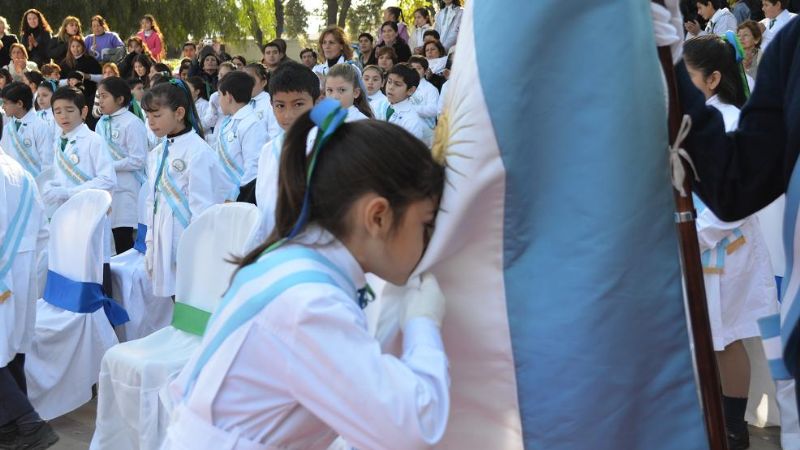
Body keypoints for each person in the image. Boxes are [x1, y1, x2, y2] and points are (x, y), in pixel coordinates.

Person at [163, 94, 449, 450]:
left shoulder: (296, 259)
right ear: (377, 216)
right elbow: (413, 427)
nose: (430, 241)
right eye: (426, 224)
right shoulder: (310, 303)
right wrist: (423, 324)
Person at [684, 33, 779, 449]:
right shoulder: (693, 118)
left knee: (728, 338)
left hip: (725, 248)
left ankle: (734, 432)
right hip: (697, 246)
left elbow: (736, 198)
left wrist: (694, 233)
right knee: (707, 336)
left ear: (713, 78)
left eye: (688, 78)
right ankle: (709, 424)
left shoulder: (730, 119)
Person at [142, 79, 229, 298]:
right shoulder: (158, 152)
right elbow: (152, 200)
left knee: (192, 298)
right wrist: (151, 242)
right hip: (163, 236)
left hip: (186, 238)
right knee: (175, 298)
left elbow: (204, 209)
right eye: (148, 116)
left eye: (157, 115)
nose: (151, 123)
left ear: (179, 113)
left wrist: (195, 249)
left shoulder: (197, 151)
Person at [0, 145, 55, 450]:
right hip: (21, 272)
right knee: (13, 351)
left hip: (3, 274)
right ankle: (9, 428)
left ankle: (29, 423)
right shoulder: (20, 171)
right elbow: (42, 231)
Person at [254, 61, 319, 239]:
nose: (288, 115)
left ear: (317, 101)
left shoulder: (329, 145)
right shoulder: (268, 151)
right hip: (275, 246)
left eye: (298, 104)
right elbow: (264, 203)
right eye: (280, 106)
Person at [41, 86, 116, 213]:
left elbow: (107, 179)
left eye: (69, 110)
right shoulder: (58, 141)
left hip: (89, 210)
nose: (63, 116)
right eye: (58, 112)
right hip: (64, 211)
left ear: (84, 111)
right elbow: (60, 175)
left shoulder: (94, 140)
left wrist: (69, 192)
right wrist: (51, 185)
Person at [95, 76, 148, 253]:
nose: (100, 101)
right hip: (107, 188)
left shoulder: (133, 123)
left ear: (120, 99)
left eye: (104, 96)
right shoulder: (101, 123)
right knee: (107, 240)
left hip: (127, 189)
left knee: (124, 239)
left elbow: (138, 159)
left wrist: (109, 166)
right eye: (99, 96)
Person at [214, 71, 267, 199]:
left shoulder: (251, 124)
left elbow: (253, 169)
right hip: (224, 193)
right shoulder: (228, 121)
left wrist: (237, 197)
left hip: (240, 196)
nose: (219, 101)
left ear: (228, 96)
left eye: (220, 95)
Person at [0, 82, 53, 176]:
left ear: (20, 103)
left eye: (5, 103)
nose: (3, 106)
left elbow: (47, 163)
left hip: (35, 185)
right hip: (13, 182)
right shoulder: (7, 128)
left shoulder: (41, 126)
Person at [59, 36, 102, 129]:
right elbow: (58, 81)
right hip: (70, 98)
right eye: (73, 46)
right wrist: (69, 81)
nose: (75, 49)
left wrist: (87, 76)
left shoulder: (90, 60)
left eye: (78, 46)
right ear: (69, 48)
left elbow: (101, 77)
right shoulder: (64, 63)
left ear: (83, 47)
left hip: (89, 96)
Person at [385, 63, 426, 143]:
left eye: (397, 84)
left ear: (410, 90)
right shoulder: (386, 104)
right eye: (389, 82)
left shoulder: (411, 120)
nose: (390, 87)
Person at [201, 61, 234, 146]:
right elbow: (209, 122)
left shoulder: (238, 95)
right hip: (217, 134)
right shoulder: (215, 96)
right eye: (221, 75)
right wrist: (213, 110)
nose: (223, 79)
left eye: (227, 75)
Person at [244, 62, 280, 140]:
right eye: (243, 80)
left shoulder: (270, 104)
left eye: (251, 79)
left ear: (263, 82)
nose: (246, 84)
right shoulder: (241, 103)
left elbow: (275, 134)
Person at [408, 55, 440, 136]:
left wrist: (410, 108)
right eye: (412, 68)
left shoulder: (431, 89)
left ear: (425, 71)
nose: (414, 71)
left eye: (418, 68)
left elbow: (434, 110)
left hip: (426, 131)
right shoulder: (404, 86)